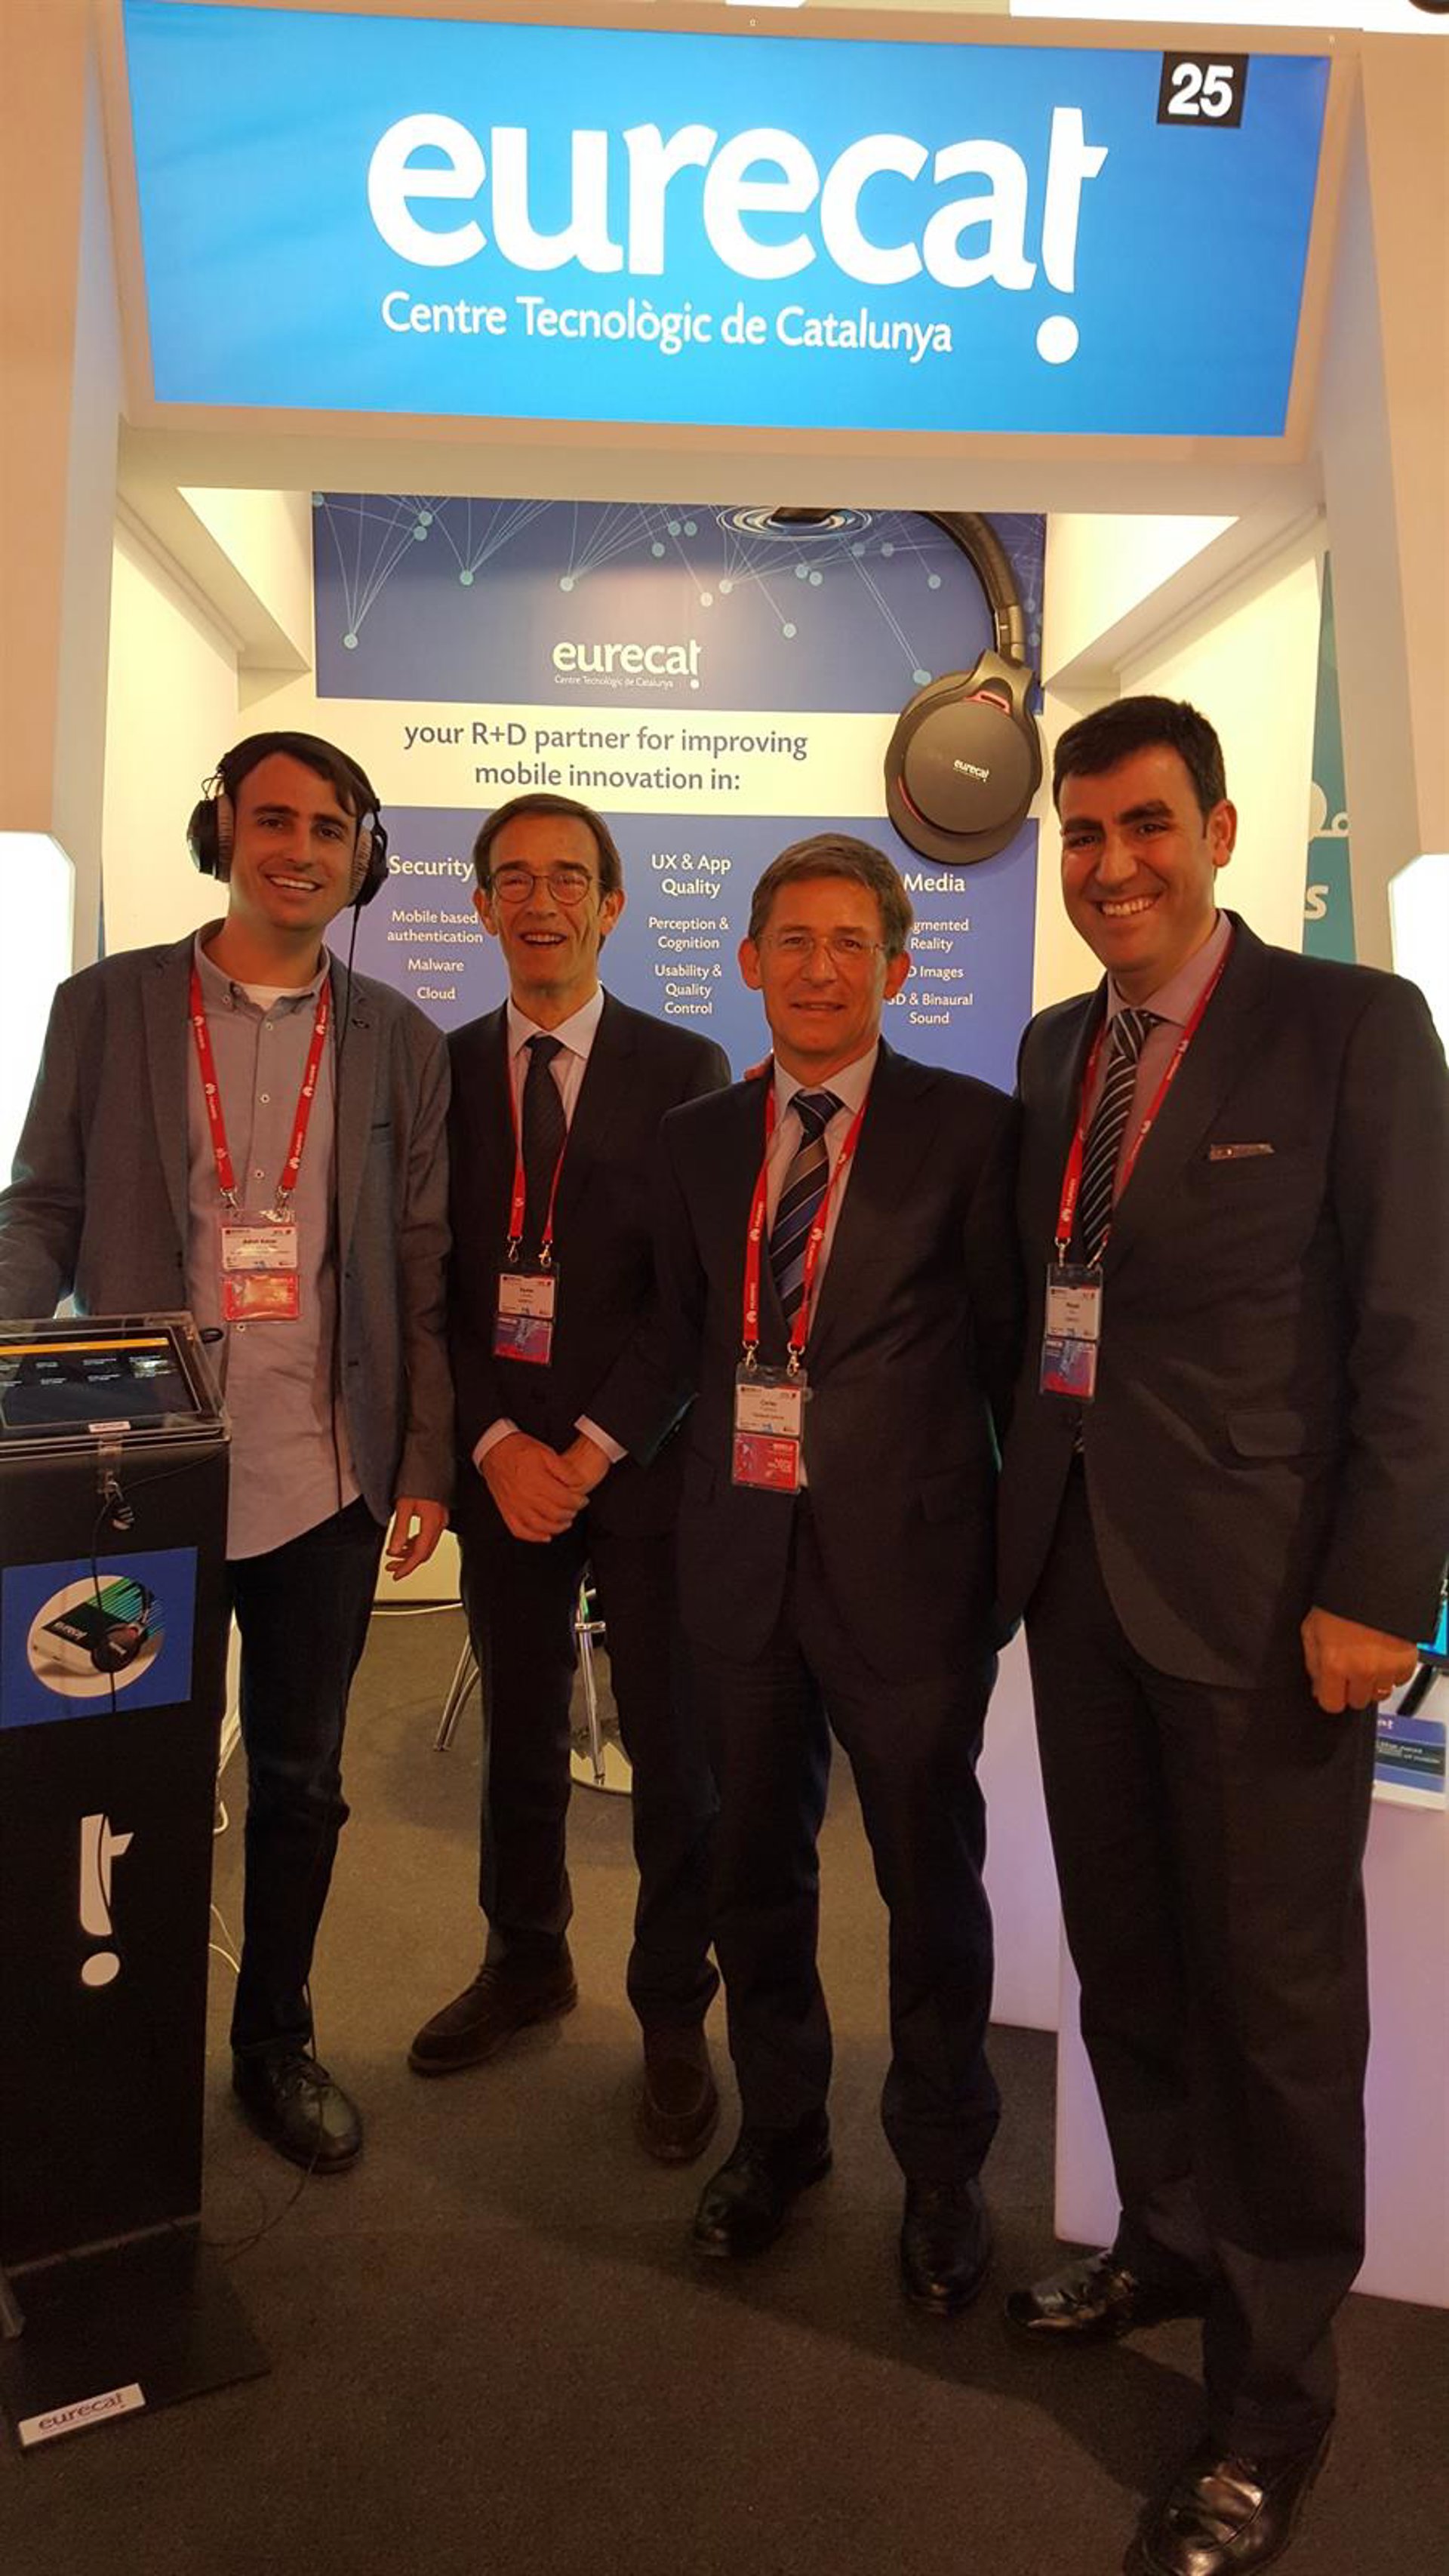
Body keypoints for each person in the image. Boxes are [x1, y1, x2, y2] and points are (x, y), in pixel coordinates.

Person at [997, 696, 1449, 2576]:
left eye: (1148, 827)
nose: (1114, 867)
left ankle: (1273, 2404)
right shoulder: (1056, 1049)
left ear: (1222, 831)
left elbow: (1416, 1329)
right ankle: (1169, 2237)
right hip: (1082, 1586)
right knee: (1128, 1952)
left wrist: (1382, 1589)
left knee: (1275, 2009)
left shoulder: (1354, 1027)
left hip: (1273, 1613)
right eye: (1086, 834)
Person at [0, 731, 452, 2174]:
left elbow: (421, 1262)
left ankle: (275, 2039)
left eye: (330, 827)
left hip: (324, 1476)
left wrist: (424, 1457)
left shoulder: (399, 1038)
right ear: (224, 832)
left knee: (302, 1778)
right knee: (127, 1766)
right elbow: (41, 1206)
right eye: (274, 820)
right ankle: (120, 2039)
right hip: (141, 1474)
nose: (300, 849)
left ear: (362, 856)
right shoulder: (108, 1005)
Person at [654, 834, 1021, 2308]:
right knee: (752, 1866)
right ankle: (783, 2132)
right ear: (751, 960)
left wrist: (1022, 1561)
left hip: (910, 1573)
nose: (820, 969)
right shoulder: (696, 1140)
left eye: (851, 944)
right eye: (794, 942)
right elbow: (679, 1344)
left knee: (930, 1879)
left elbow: (1012, 1357)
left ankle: (940, 2164)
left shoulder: (972, 1132)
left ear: (897, 968)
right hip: (739, 1564)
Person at [409, 792, 729, 2162]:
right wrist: (492, 1445)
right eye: (516, 879)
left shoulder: (686, 1062)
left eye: (570, 878)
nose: (542, 902)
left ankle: (671, 2002)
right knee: (522, 1730)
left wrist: (592, 1445)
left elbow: (693, 1292)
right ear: (482, 904)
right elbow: (430, 1280)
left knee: (671, 1746)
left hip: (639, 1464)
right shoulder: (440, 1069)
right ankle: (525, 1957)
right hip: (503, 1471)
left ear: (612, 905)